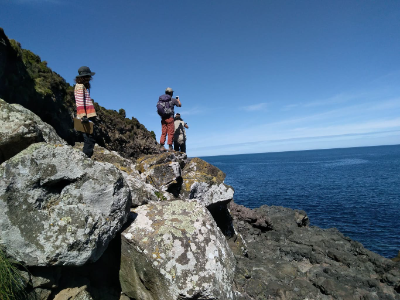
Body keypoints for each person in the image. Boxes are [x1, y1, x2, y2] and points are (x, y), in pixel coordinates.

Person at [74, 66, 97, 158]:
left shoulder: (82, 87)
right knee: (89, 138)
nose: (90, 79)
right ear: (84, 77)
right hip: (86, 116)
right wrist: (83, 116)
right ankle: (86, 157)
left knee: (89, 137)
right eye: (88, 77)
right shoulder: (79, 87)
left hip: (87, 116)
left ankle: (86, 156)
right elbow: (79, 102)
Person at [158, 87, 181, 151]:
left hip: (163, 118)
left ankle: (162, 146)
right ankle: (170, 147)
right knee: (170, 132)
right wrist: (178, 101)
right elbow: (179, 105)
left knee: (163, 132)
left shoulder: (161, 100)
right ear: (171, 93)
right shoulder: (173, 100)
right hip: (170, 118)